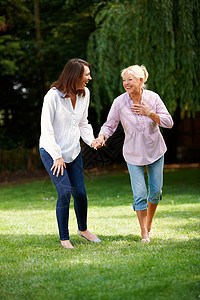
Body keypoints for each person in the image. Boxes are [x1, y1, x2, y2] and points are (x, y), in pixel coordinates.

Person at [96, 65, 173, 243]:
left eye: (130, 79)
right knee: (139, 194)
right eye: (124, 80)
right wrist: (101, 137)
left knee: (155, 191)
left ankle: (149, 225)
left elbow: (169, 122)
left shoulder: (153, 98)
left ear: (140, 81)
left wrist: (150, 113)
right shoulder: (119, 102)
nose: (126, 83)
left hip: (155, 151)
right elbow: (110, 125)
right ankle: (144, 233)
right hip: (133, 154)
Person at [39, 58, 101, 249]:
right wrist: (57, 156)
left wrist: (92, 141)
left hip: (73, 152)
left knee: (80, 193)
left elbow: (83, 122)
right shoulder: (52, 96)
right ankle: (64, 238)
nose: (89, 78)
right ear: (75, 76)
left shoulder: (84, 94)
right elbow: (46, 129)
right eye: (86, 75)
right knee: (65, 192)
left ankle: (83, 230)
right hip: (52, 152)